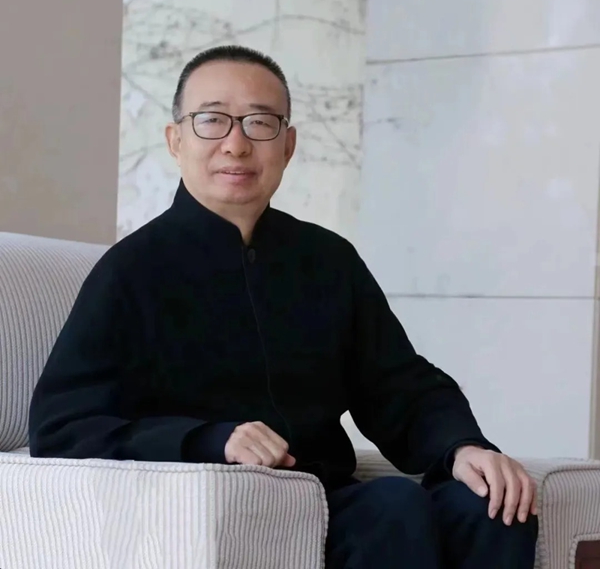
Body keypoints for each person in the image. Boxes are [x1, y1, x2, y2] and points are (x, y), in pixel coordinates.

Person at [28, 45, 538, 568]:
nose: (236, 144)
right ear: (175, 140)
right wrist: (210, 440)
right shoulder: (130, 271)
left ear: (288, 145)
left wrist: (463, 447)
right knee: (393, 507)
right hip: (223, 509)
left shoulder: (328, 260)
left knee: (494, 505)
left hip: (330, 503)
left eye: (260, 123)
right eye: (212, 120)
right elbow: (62, 427)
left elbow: (398, 386)